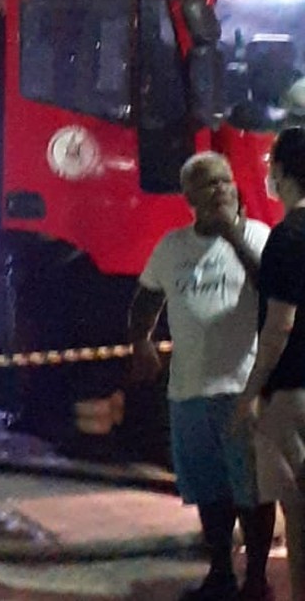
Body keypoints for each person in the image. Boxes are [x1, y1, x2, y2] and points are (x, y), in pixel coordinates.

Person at [129, 151, 275, 601]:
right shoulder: (172, 248)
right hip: (188, 393)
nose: (221, 191)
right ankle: (220, 574)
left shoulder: (259, 237)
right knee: (209, 491)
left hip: (240, 389)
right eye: (209, 184)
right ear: (188, 197)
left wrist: (234, 237)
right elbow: (145, 300)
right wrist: (142, 343)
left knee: (251, 490)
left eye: (226, 182)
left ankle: (255, 579)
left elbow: (273, 289)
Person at [238, 127, 305, 601]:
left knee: (298, 515)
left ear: (282, 172)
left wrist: (249, 392)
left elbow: (279, 326)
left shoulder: (287, 237)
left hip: (292, 395)